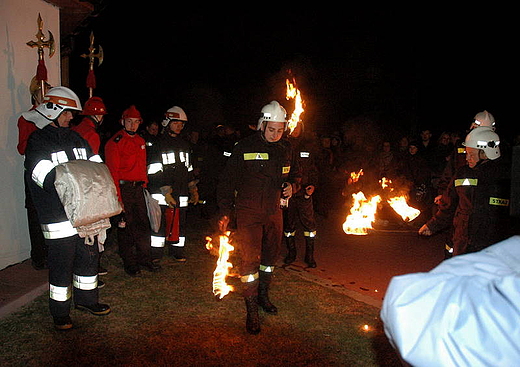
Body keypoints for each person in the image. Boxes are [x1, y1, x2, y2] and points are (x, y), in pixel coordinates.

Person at [23, 86, 110, 330]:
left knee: (88, 258)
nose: (71, 117)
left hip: (84, 212)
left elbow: (96, 166)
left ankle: (87, 301)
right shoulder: (38, 141)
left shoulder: (76, 138)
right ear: (52, 111)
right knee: (61, 265)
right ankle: (60, 312)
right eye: (67, 113)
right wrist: (74, 180)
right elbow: (42, 176)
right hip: (58, 215)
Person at [217, 101, 301, 334]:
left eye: (280, 130)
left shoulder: (286, 149)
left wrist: (293, 185)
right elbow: (226, 181)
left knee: (269, 259)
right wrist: (225, 212)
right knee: (249, 261)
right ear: (262, 125)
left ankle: (264, 296)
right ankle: (251, 310)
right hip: (248, 212)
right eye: (271, 129)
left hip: (274, 212)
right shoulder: (244, 147)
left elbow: (296, 174)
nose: (275, 134)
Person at [419, 127, 511, 256]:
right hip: (462, 242)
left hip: (490, 245)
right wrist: (432, 225)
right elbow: (449, 204)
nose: (467, 158)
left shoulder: (505, 176)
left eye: (471, 154)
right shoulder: (462, 173)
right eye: (466, 153)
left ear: (486, 153)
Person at [104, 105, 159, 276]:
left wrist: (145, 186)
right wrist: (118, 197)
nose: (133, 126)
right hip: (124, 189)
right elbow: (112, 172)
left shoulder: (140, 141)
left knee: (143, 225)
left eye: (136, 122)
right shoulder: (115, 143)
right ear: (123, 122)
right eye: (129, 122)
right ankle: (130, 263)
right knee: (126, 227)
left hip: (138, 189)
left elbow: (142, 166)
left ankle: (145, 259)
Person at [147, 106, 199, 262]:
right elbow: (154, 170)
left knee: (181, 221)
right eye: (176, 123)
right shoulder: (158, 144)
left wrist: (193, 188)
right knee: (159, 224)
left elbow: (189, 169)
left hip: (181, 191)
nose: (179, 126)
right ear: (167, 122)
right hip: (161, 193)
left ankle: (177, 250)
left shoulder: (184, 144)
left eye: (182, 124)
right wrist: (166, 192)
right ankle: (156, 255)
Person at [71, 96, 108, 281]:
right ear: (99, 117)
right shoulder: (92, 134)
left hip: (75, 185)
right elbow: (92, 164)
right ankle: (91, 267)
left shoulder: (75, 130)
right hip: (87, 187)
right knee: (93, 231)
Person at [17, 77, 50, 270]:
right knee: (36, 214)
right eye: (42, 93)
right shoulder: (26, 118)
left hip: (52, 171)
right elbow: (22, 148)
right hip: (34, 170)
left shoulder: (53, 117)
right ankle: (39, 256)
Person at [283, 121, 319, 268]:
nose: (295, 129)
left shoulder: (308, 147)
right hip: (289, 193)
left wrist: (313, 185)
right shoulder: (283, 145)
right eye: (292, 126)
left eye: (298, 127)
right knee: (289, 226)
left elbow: (314, 169)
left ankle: (309, 256)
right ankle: (291, 253)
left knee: (309, 226)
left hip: (304, 192)